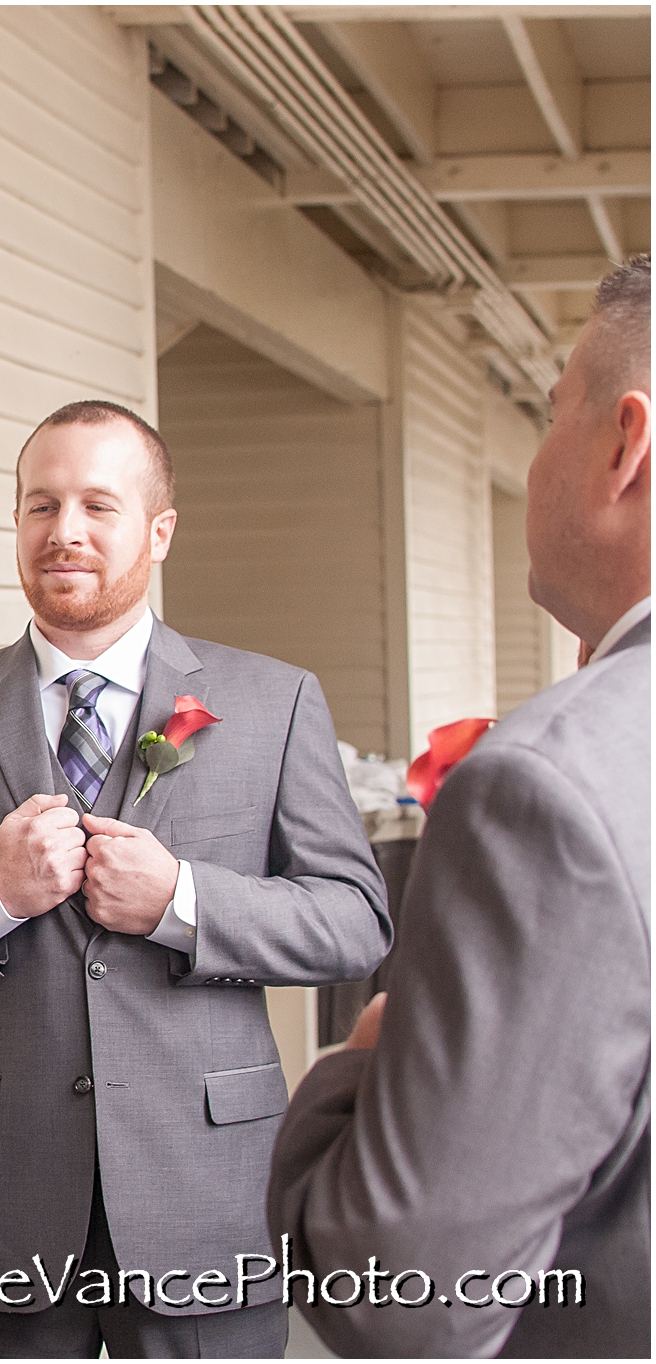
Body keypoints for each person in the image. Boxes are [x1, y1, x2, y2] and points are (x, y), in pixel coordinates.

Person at [0, 400, 390, 1357]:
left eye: (100, 505)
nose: (65, 533)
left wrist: (184, 901)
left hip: (207, 1192)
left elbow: (355, 923)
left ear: (159, 530)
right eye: (40, 506)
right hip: (0, 1203)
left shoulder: (272, 702)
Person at [268, 256, 650, 1358]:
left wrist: (358, 1063)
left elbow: (400, 1292)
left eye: (547, 412)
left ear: (624, 445)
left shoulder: (548, 789)